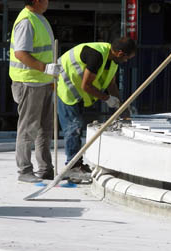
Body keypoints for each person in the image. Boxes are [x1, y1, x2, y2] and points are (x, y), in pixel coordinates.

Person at [56, 37, 137, 172]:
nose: (126, 61)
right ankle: (72, 166)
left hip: (78, 90)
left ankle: (76, 164)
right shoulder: (96, 56)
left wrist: (121, 107)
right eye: (127, 58)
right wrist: (107, 99)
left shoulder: (113, 60)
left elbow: (111, 85)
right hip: (66, 85)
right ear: (120, 53)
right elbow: (86, 85)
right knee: (73, 127)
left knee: (77, 126)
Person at [9, 0, 61, 183]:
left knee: (45, 128)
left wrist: (50, 73)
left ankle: (45, 168)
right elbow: (21, 53)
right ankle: (24, 170)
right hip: (29, 82)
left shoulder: (39, 18)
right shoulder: (26, 21)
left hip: (42, 81)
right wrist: (45, 68)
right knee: (28, 128)